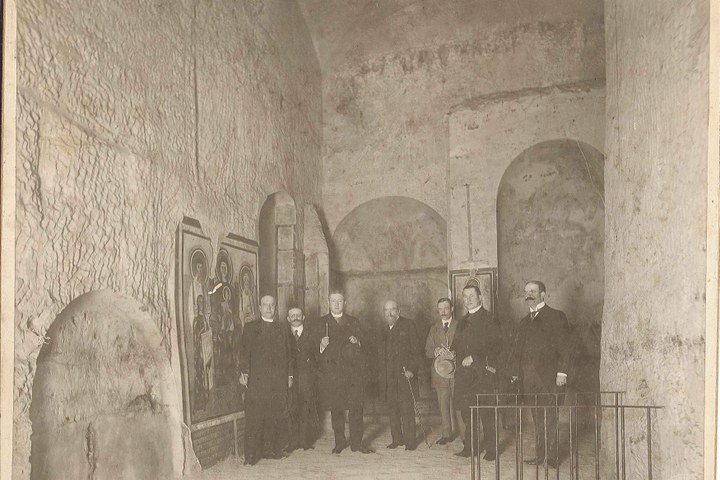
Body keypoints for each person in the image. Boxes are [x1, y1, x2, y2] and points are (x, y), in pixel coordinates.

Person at [510, 281, 572, 469]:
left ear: (543, 295)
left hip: (550, 377)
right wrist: (515, 373)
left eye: (533, 291)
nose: (529, 294)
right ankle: (540, 455)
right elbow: (517, 351)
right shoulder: (523, 321)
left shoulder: (556, 316)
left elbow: (566, 347)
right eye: (526, 291)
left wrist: (562, 372)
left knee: (550, 417)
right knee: (538, 419)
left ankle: (551, 459)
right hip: (529, 379)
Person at [238, 295, 294, 466]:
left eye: (272, 305)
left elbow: (290, 354)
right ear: (260, 308)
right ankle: (250, 455)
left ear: (275, 308)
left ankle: (270, 450)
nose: (269, 308)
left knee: (274, 415)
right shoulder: (250, 328)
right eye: (265, 305)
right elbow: (244, 353)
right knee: (254, 418)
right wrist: (243, 372)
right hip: (257, 380)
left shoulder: (283, 329)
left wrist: (290, 375)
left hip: (277, 381)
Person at [317, 290, 373, 454]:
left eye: (339, 301)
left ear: (345, 303)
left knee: (356, 409)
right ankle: (339, 442)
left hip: (353, 375)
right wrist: (321, 345)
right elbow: (312, 351)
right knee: (337, 410)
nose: (336, 304)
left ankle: (357, 444)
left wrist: (358, 341)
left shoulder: (354, 322)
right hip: (333, 375)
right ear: (328, 303)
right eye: (333, 301)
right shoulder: (321, 323)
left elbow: (367, 347)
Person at [451, 284, 503, 460]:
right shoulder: (462, 321)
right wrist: (449, 354)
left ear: (481, 297)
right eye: (465, 296)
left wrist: (474, 357)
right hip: (465, 376)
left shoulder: (490, 318)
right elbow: (456, 346)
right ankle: (471, 448)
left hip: (483, 374)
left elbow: (497, 346)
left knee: (487, 413)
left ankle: (491, 450)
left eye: (472, 295)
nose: (468, 299)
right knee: (467, 412)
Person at [378, 300, 420, 451]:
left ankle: (410, 442)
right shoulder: (382, 330)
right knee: (393, 409)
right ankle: (397, 439)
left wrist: (412, 369)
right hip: (389, 378)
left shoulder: (409, 325)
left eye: (393, 309)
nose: (390, 313)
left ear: (399, 311)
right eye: (387, 310)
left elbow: (417, 351)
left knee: (406, 410)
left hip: (404, 375)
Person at [425, 297, 462, 445]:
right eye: (440, 309)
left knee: (459, 405)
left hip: (457, 373)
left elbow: (466, 347)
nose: (443, 312)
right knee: (443, 405)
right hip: (439, 373)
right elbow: (427, 350)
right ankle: (447, 434)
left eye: (446, 308)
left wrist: (456, 353)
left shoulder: (460, 325)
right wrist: (436, 351)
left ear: (452, 308)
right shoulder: (434, 328)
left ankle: (465, 435)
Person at [286, 306, 320, 452]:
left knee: (306, 408)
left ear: (303, 317)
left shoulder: (312, 335)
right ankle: (293, 441)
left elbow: (318, 357)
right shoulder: (284, 335)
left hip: (307, 378)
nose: (295, 317)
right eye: (292, 315)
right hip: (289, 378)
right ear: (288, 318)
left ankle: (305, 441)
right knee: (292, 408)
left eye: (298, 315)